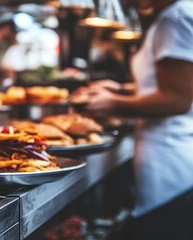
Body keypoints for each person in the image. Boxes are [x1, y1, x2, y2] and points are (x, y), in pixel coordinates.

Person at [80, 0, 193, 239]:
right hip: (167, 156)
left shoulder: (177, 17)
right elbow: (164, 86)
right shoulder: (172, 16)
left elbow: (178, 99)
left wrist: (114, 104)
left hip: (170, 164)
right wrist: (120, 89)